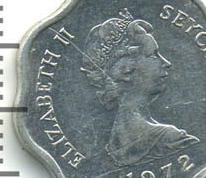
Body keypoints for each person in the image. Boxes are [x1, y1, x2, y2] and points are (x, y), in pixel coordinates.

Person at [81, 9, 199, 166]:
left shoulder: (113, 146)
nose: (166, 63)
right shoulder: (172, 140)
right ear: (126, 71)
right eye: (153, 55)